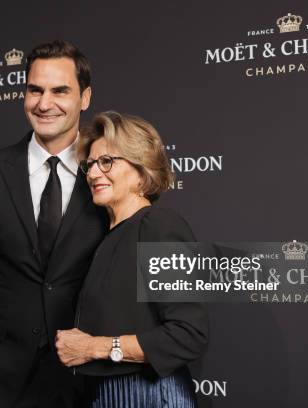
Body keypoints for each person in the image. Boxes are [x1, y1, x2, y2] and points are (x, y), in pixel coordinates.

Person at [0, 40, 108, 408]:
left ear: (85, 98)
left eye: (60, 91)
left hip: (84, 382)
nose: (44, 103)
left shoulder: (106, 174)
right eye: (34, 90)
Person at [55, 111, 209, 407]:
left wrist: (94, 347)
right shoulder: (106, 235)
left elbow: (188, 334)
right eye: (90, 165)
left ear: (142, 169)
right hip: (103, 394)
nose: (94, 173)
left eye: (107, 161)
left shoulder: (158, 225)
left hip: (148, 394)